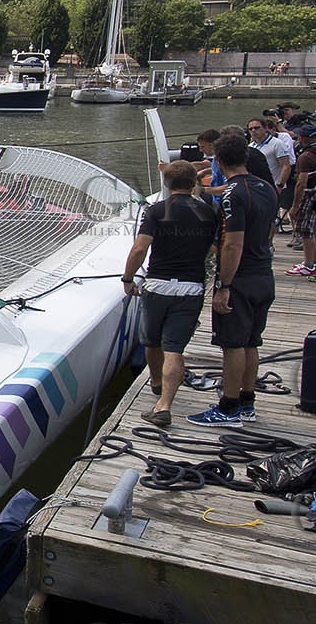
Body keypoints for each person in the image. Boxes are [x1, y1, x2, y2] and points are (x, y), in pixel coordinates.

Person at [188, 132, 279, 428]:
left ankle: (227, 408)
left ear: (219, 160)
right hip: (264, 274)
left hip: (240, 278)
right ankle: (247, 403)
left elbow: (232, 244)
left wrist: (224, 286)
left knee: (233, 345)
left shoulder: (233, 194)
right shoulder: (266, 187)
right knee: (252, 342)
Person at [124, 160, 218, 428]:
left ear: (167, 184)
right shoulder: (207, 212)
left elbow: (140, 249)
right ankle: (164, 403)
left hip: (158, 285)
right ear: (193, 183)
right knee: (174, 348)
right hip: (191, 287)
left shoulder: (156, 211)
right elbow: (215, 249)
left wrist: (128, 278)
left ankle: (156, 382)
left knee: (152, 342)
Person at [287, 123, 316, 276]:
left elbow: (301, 183)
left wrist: (295, 206)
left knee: (307, 231)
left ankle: (310, 264)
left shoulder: (305, 157)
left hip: (311, 196)